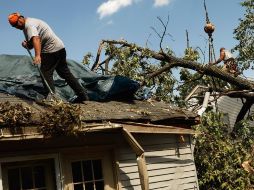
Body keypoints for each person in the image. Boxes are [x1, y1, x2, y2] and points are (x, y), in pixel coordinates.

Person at [8, 12, 89, 103]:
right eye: (14, 26)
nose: (16, 27)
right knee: (65, 73)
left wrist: (38, 55)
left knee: (45, 73)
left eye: (16, 24)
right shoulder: (28, 24)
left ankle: (52, 98)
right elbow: (32, 44)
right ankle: (82, 95)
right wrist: (26, 44)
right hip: (60, 47)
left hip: (51, 49)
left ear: (20, 18)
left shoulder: (29, 26)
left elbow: (36, 39)